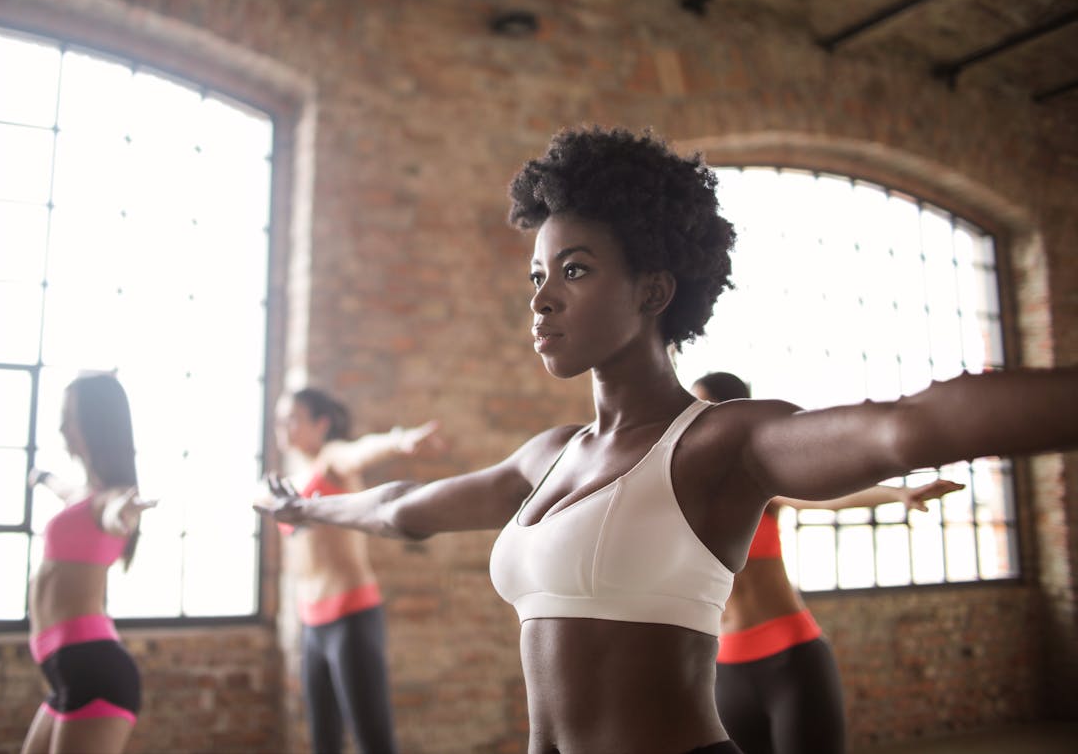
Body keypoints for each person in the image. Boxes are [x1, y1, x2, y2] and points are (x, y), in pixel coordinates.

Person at [254, 126, 1078, 754]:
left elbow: (909, 427)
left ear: (652, 288)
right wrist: (305, 507)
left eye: (574, 271)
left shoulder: (722, 443)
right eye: (537, 276)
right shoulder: (549, 456)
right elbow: (405, 506)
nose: (542, 300)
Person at [691, 371, 964, 754]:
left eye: (705, 406)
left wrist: (896, 493)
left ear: (730, 413)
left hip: (791, 662)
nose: (696, 418)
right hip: (725, 672)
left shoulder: (759, 485)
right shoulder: (686, 494)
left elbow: (826, 495)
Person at [270, 387, 445, 754]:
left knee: (373, 742)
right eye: (280, 420)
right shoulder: (292, 476)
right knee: (324, 743)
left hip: (350, 617)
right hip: (311, 624)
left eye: (293, 419)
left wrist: (400, 440)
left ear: (322, 424)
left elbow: (359, 451)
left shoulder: (330, 459)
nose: (284, 428)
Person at [21, 373, 155, 754]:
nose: (62, 427)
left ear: (97, 423)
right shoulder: (84, 495)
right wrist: (42, 477)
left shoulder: (109, 500)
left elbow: (114, 512)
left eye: (70, 416)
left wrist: (125, 511)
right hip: (65, 673)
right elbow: (66, 490)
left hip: (95, 669)